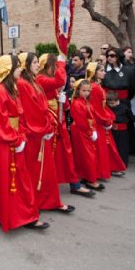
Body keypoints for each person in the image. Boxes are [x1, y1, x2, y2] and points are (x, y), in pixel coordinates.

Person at [0, 55, 49, 231]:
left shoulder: (12, 88)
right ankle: (10, 216)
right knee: (8, 180)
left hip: (13, 137)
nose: (20, 70)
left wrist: (21, 134)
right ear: (8, 70)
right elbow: (1, 120)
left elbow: (19, 116)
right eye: (16, 67)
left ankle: (23, 215)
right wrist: (14, 138)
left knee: (19, 179)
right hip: (3, 140)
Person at [17, 52, 74, 214]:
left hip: (43, 129)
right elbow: (31, 111)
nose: (37, 65)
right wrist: (44, 128)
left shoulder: (33, 82)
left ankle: (50, 201)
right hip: (35, 133)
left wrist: (49, 123)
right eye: (34, 63)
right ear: (26, 65)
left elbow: (42, 106)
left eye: (37, 62)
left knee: (47, 170)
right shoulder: (24, 84)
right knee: (37, 170)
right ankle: (38, 202)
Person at [37, 54, 95, 198]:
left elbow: (58, 87)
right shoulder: (40, 78)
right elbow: (60, 80)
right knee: (50, 155)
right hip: (48, 120)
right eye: (54, 65)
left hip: (58, 118)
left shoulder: (48, 78)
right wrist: (62, 65)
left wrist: (61, 100)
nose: (56, 68)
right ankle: (48, 187)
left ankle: (74, 183)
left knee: (66, 153)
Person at [86, 62, 127, 178]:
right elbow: (95, 108)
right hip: (98, 122)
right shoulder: (94, 87)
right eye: (101, 70)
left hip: (102, 120)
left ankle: (109, 167)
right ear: (95, 73)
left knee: (107, 146)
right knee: (101, 147)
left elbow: (102, 106)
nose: (104, 72)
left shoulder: (97, 86)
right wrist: (105, 120)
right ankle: (101, 170)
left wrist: (108, 116)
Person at [102, 47, 135, 156]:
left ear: (118, 57)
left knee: (124, 127)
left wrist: (124, 100)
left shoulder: (128, 71)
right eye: (108, 55)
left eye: (112, 55)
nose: (109, 58)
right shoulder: (103, 70)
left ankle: (125, 151)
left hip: (123, 102)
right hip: (107, 103)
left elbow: (132, 87)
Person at [70, 80, 104, 190]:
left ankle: (86, 176)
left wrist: (93, 129)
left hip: (87, 130)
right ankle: (90, 179)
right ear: (78, 90)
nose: (86, 93)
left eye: (88, 90)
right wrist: (90, 132)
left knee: (87, 154)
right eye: (83, 90)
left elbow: (91, 117)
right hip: (81, 131)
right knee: (88, 155)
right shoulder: (76, 103)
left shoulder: (86, 101)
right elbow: (81, 121)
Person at [106, 91, 135, 166]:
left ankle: (122, 163)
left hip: (122, 132)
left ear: (117, 100)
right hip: (111, 131)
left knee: (122, 148)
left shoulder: (124, 107)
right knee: (112, 148)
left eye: (112, 103)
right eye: (109, 104)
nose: (111, 105)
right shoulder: (107, 107)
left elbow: (131, 117)